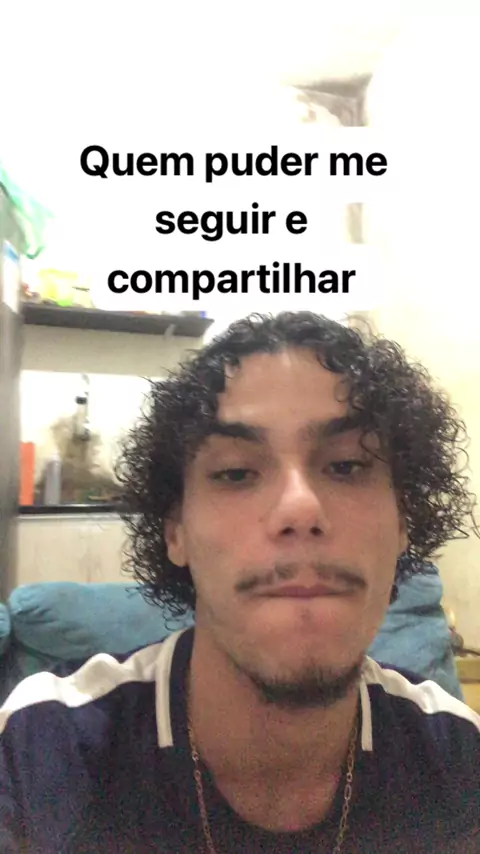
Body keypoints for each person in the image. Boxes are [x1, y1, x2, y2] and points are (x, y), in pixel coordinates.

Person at [1, 311, 479, 854]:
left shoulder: (460, 759)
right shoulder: (37, 753)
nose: (300, 508)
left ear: (402, 523)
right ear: (176, 530)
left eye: (347, 465)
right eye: (235, 472)